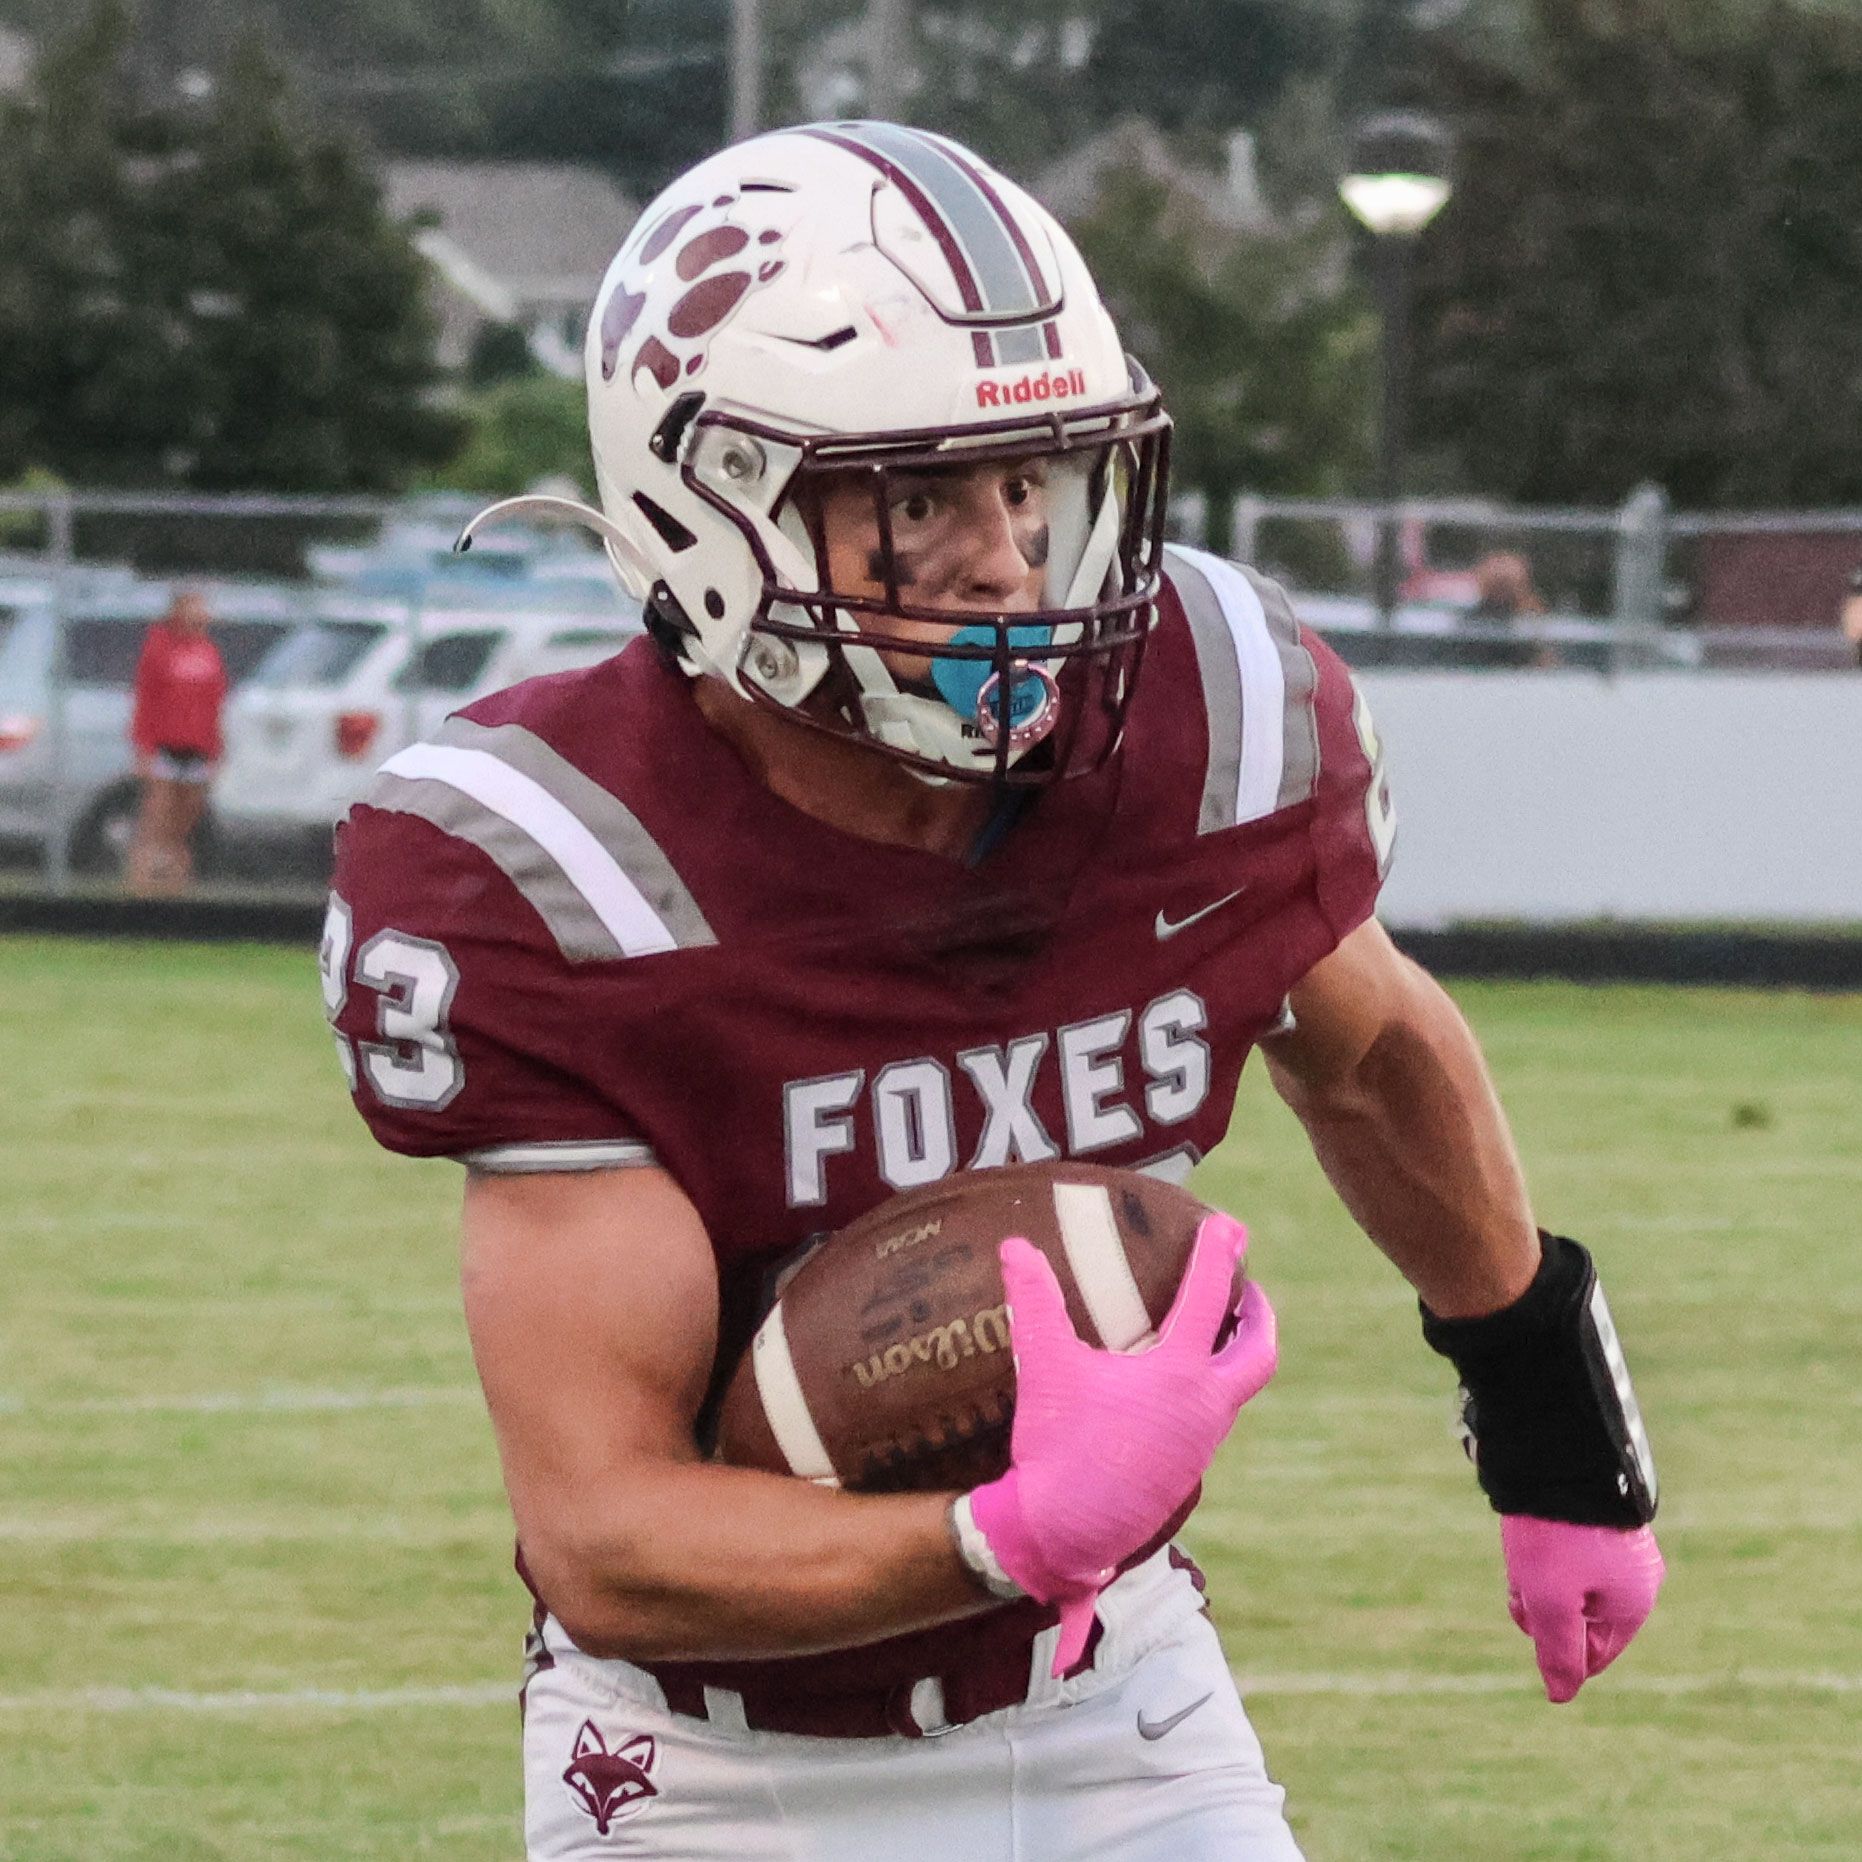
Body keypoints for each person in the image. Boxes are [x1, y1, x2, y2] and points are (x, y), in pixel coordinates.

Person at [325, 123, 1664, 1860]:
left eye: (1029, 483)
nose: (1004, 562)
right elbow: (603, 1531)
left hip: (1118, 1695)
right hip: (718, 1770)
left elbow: (1369, 1046)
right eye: (917, 497)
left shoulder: (1206, 729)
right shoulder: (565, 874)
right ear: (706, 504)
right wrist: (1010, 1531)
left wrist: (1549, 1411)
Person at [126, 588, 226, 894]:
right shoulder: (159, 648)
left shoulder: (209, 652)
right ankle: (140, 882)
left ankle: (174, 885)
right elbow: (147, 699)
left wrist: (216, 748)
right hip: (164, 745)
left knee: (186, 818)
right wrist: (143, 746)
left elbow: (215, 703)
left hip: (197, 747)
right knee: (158, 815)